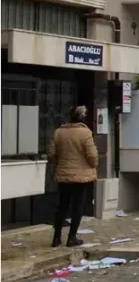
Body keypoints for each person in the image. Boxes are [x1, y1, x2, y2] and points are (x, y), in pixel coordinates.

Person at [48, 106, 98, 248]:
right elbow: (92, 155)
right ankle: (72, 237)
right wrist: (93, 165)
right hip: (81, 177)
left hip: (63, 175)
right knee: (78, 206)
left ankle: (56, 238)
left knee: (62, 206)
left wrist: (60, 163)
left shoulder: (58, 132)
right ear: (83, 118)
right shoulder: (85, 133)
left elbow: (51, 153)